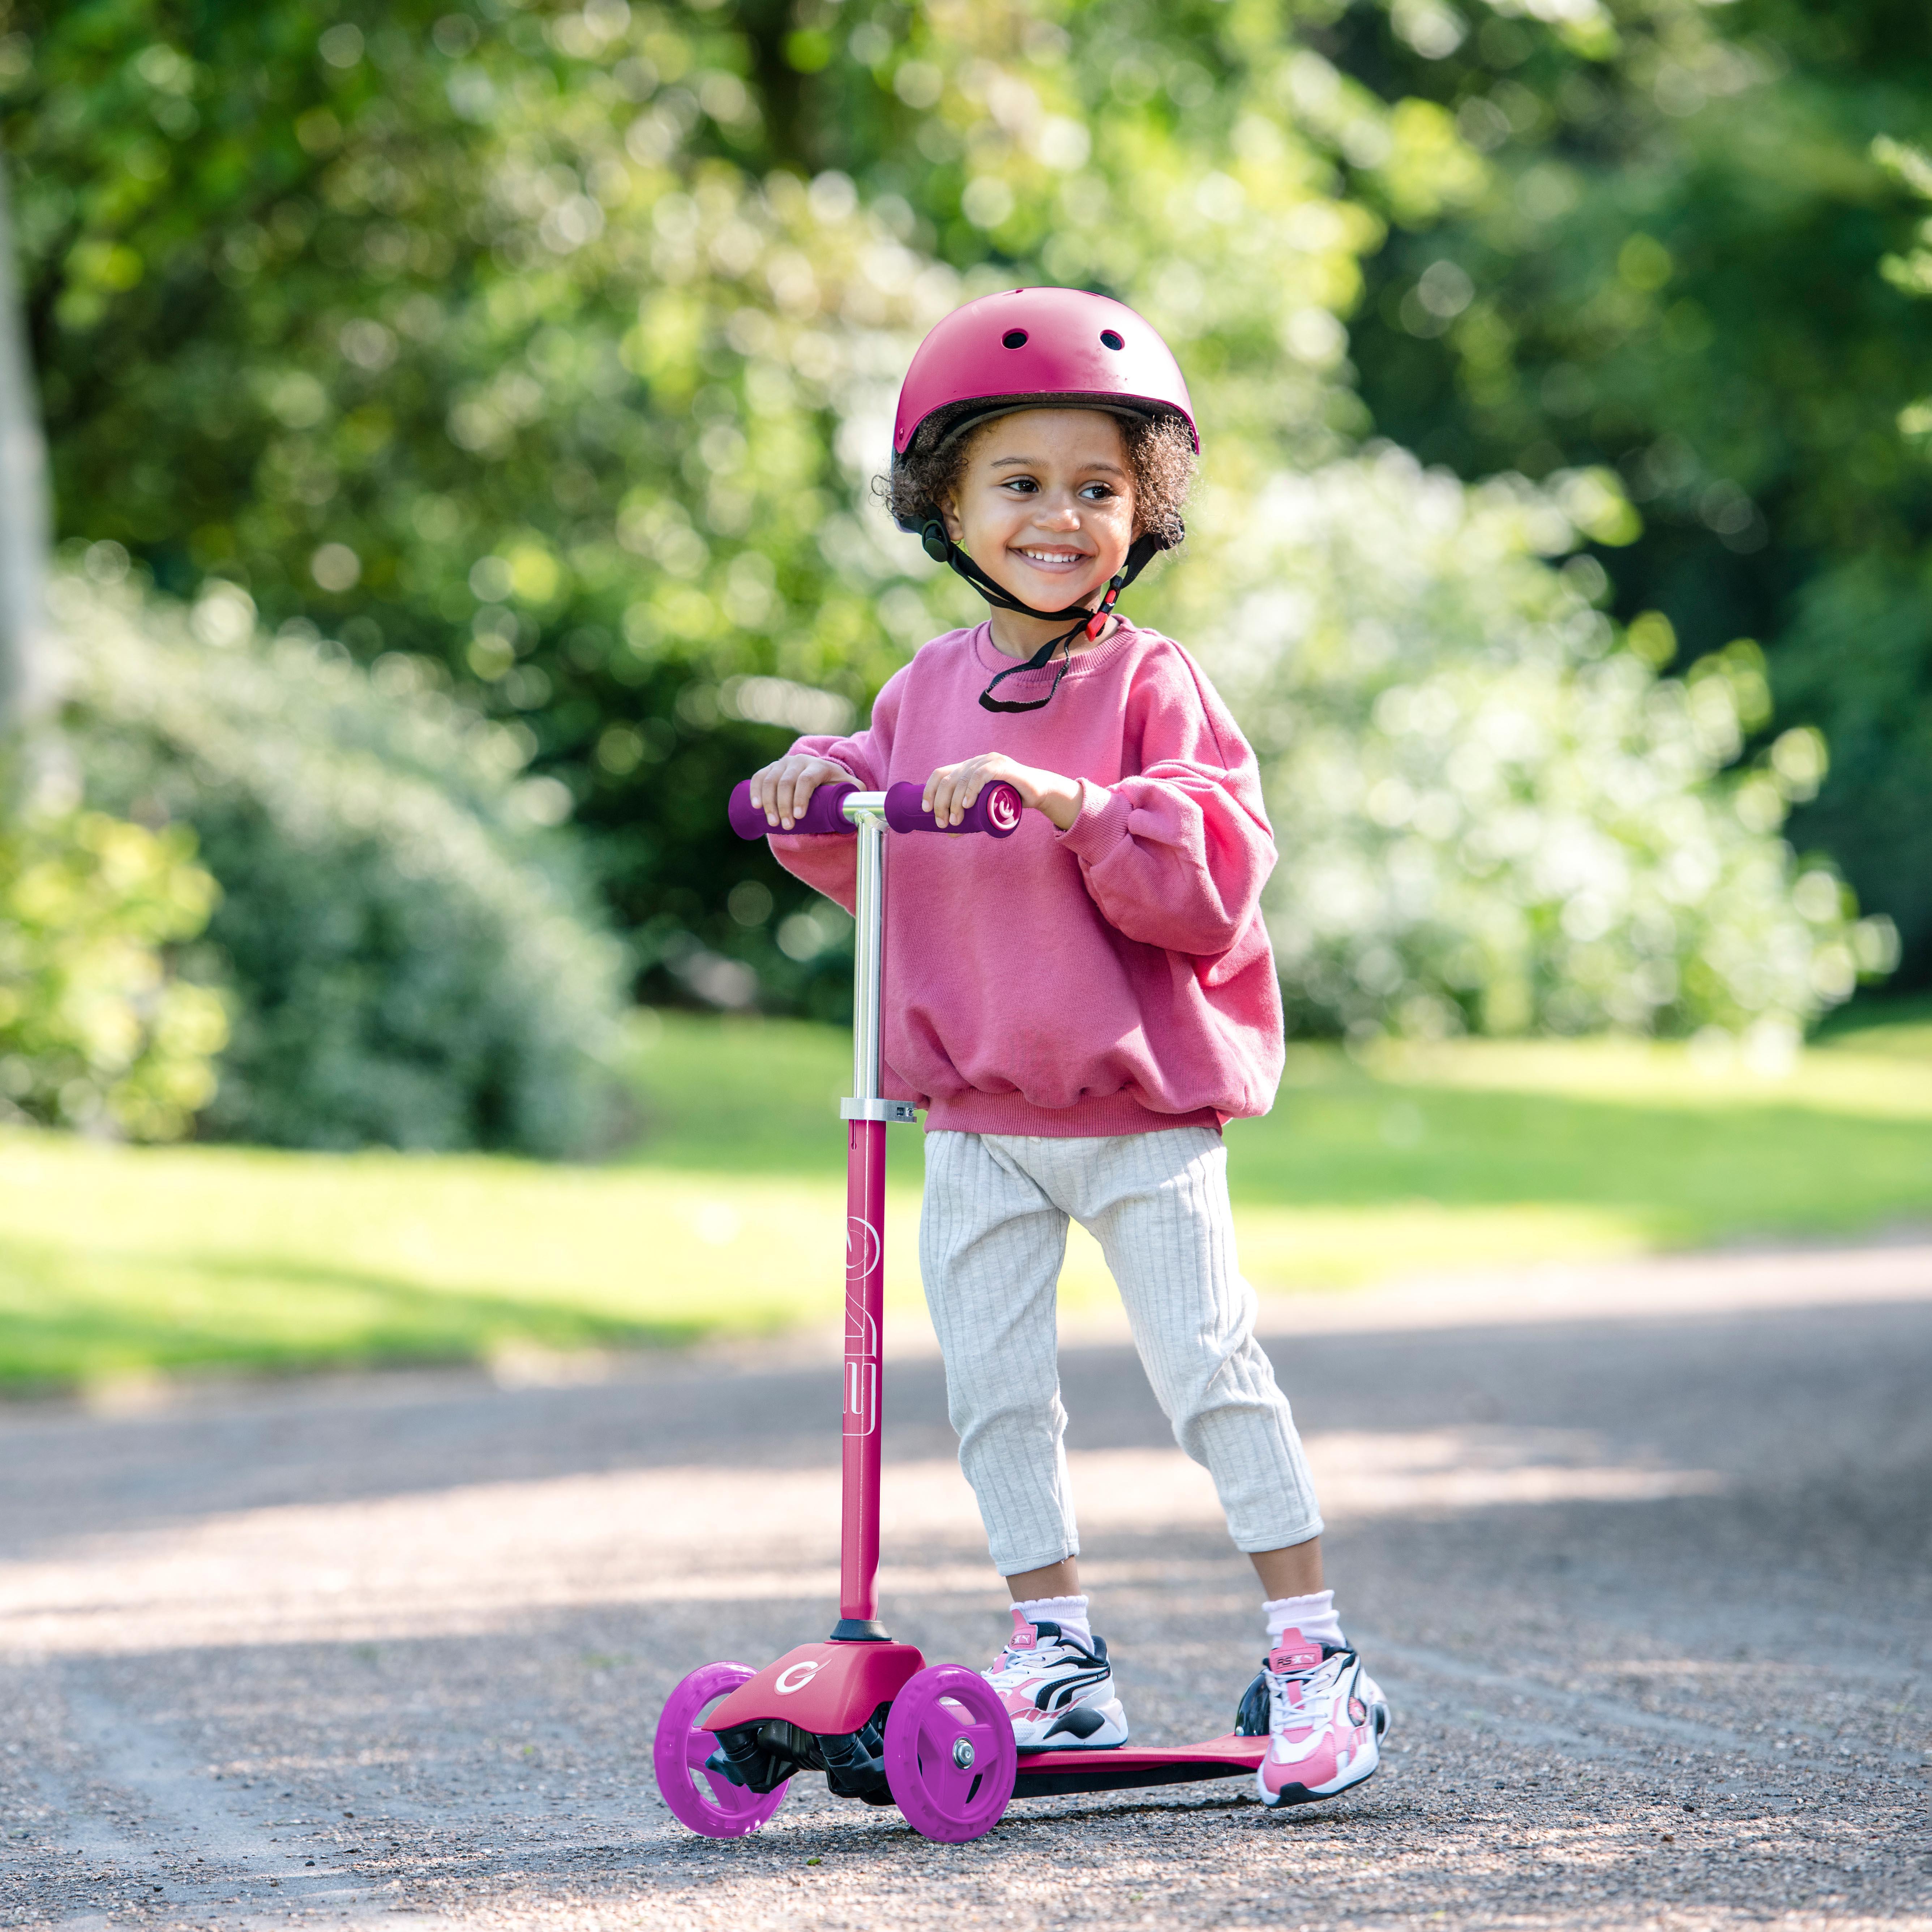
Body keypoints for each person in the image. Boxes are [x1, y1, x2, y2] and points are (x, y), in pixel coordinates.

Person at [742, 287, 1389, 1808]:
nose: (1058, 517)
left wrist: (1077, 808)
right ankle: (1058, 1655)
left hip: (1137, 1117)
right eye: (1018, 485)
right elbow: (869, 785)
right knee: (994, 1390)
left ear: (1141, 511)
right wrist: (809, 775)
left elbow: (1215, 870)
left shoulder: (1153, 685)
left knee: (1207, 1371)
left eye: (1096, 488)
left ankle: (1314, 1656)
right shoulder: (924, 683)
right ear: (946, 506)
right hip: (973, 1116)